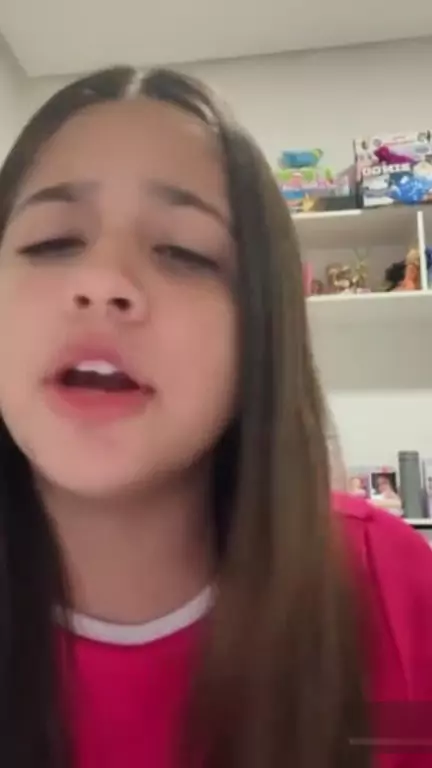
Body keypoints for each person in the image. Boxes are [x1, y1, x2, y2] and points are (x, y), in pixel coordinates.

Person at [0, 66, 431, 768]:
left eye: (183, 252)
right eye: (51, 242)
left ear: (261, 326)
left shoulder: (390, 588)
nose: (102, 282)